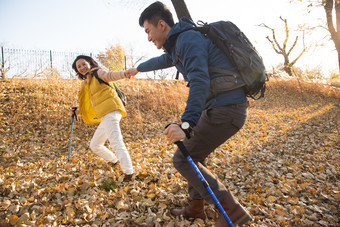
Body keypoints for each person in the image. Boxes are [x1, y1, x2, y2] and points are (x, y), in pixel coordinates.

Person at [125, 1, 252, 226]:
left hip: (226, 109)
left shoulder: (187, 39)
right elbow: (164, 60)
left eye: (148, 31)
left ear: (161, 24)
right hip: (221, 108)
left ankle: (230, 209)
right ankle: (195, 209)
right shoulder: (179, 42)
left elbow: (200, 80)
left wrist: (186, 125)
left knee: (182, 158)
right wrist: (138, 68)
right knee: (194, 156)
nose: (148, 37)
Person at [71, 55, 134, 181]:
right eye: (79, 67)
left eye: (84, 64)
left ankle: (129, 172)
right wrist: (77, 111)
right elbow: (94, 104)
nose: (82, 67)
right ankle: (114, 160)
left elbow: (110, 75)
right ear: (77, 71)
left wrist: (125, 73)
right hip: (105, 114)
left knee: (116, 142)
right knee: (95, 145)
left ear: (90, 63)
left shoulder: (97, 73)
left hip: (111, 110)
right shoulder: (88, 82)